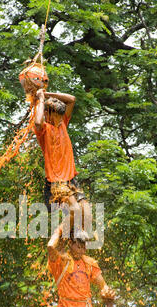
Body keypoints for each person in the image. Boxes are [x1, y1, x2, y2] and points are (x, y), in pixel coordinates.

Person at [34, 88, 91, 233]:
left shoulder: (63, 123)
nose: (60, 119)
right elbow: (37, 122)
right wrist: (41, 100)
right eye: (56, 116)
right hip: (56, 181)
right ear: (47, 114)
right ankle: (54, 240)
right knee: (76, 211)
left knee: (86, 214)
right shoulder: (44, 130)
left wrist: (46, 94)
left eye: (61, 116)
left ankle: (72, 245)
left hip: (71, 179)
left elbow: (71, 99)